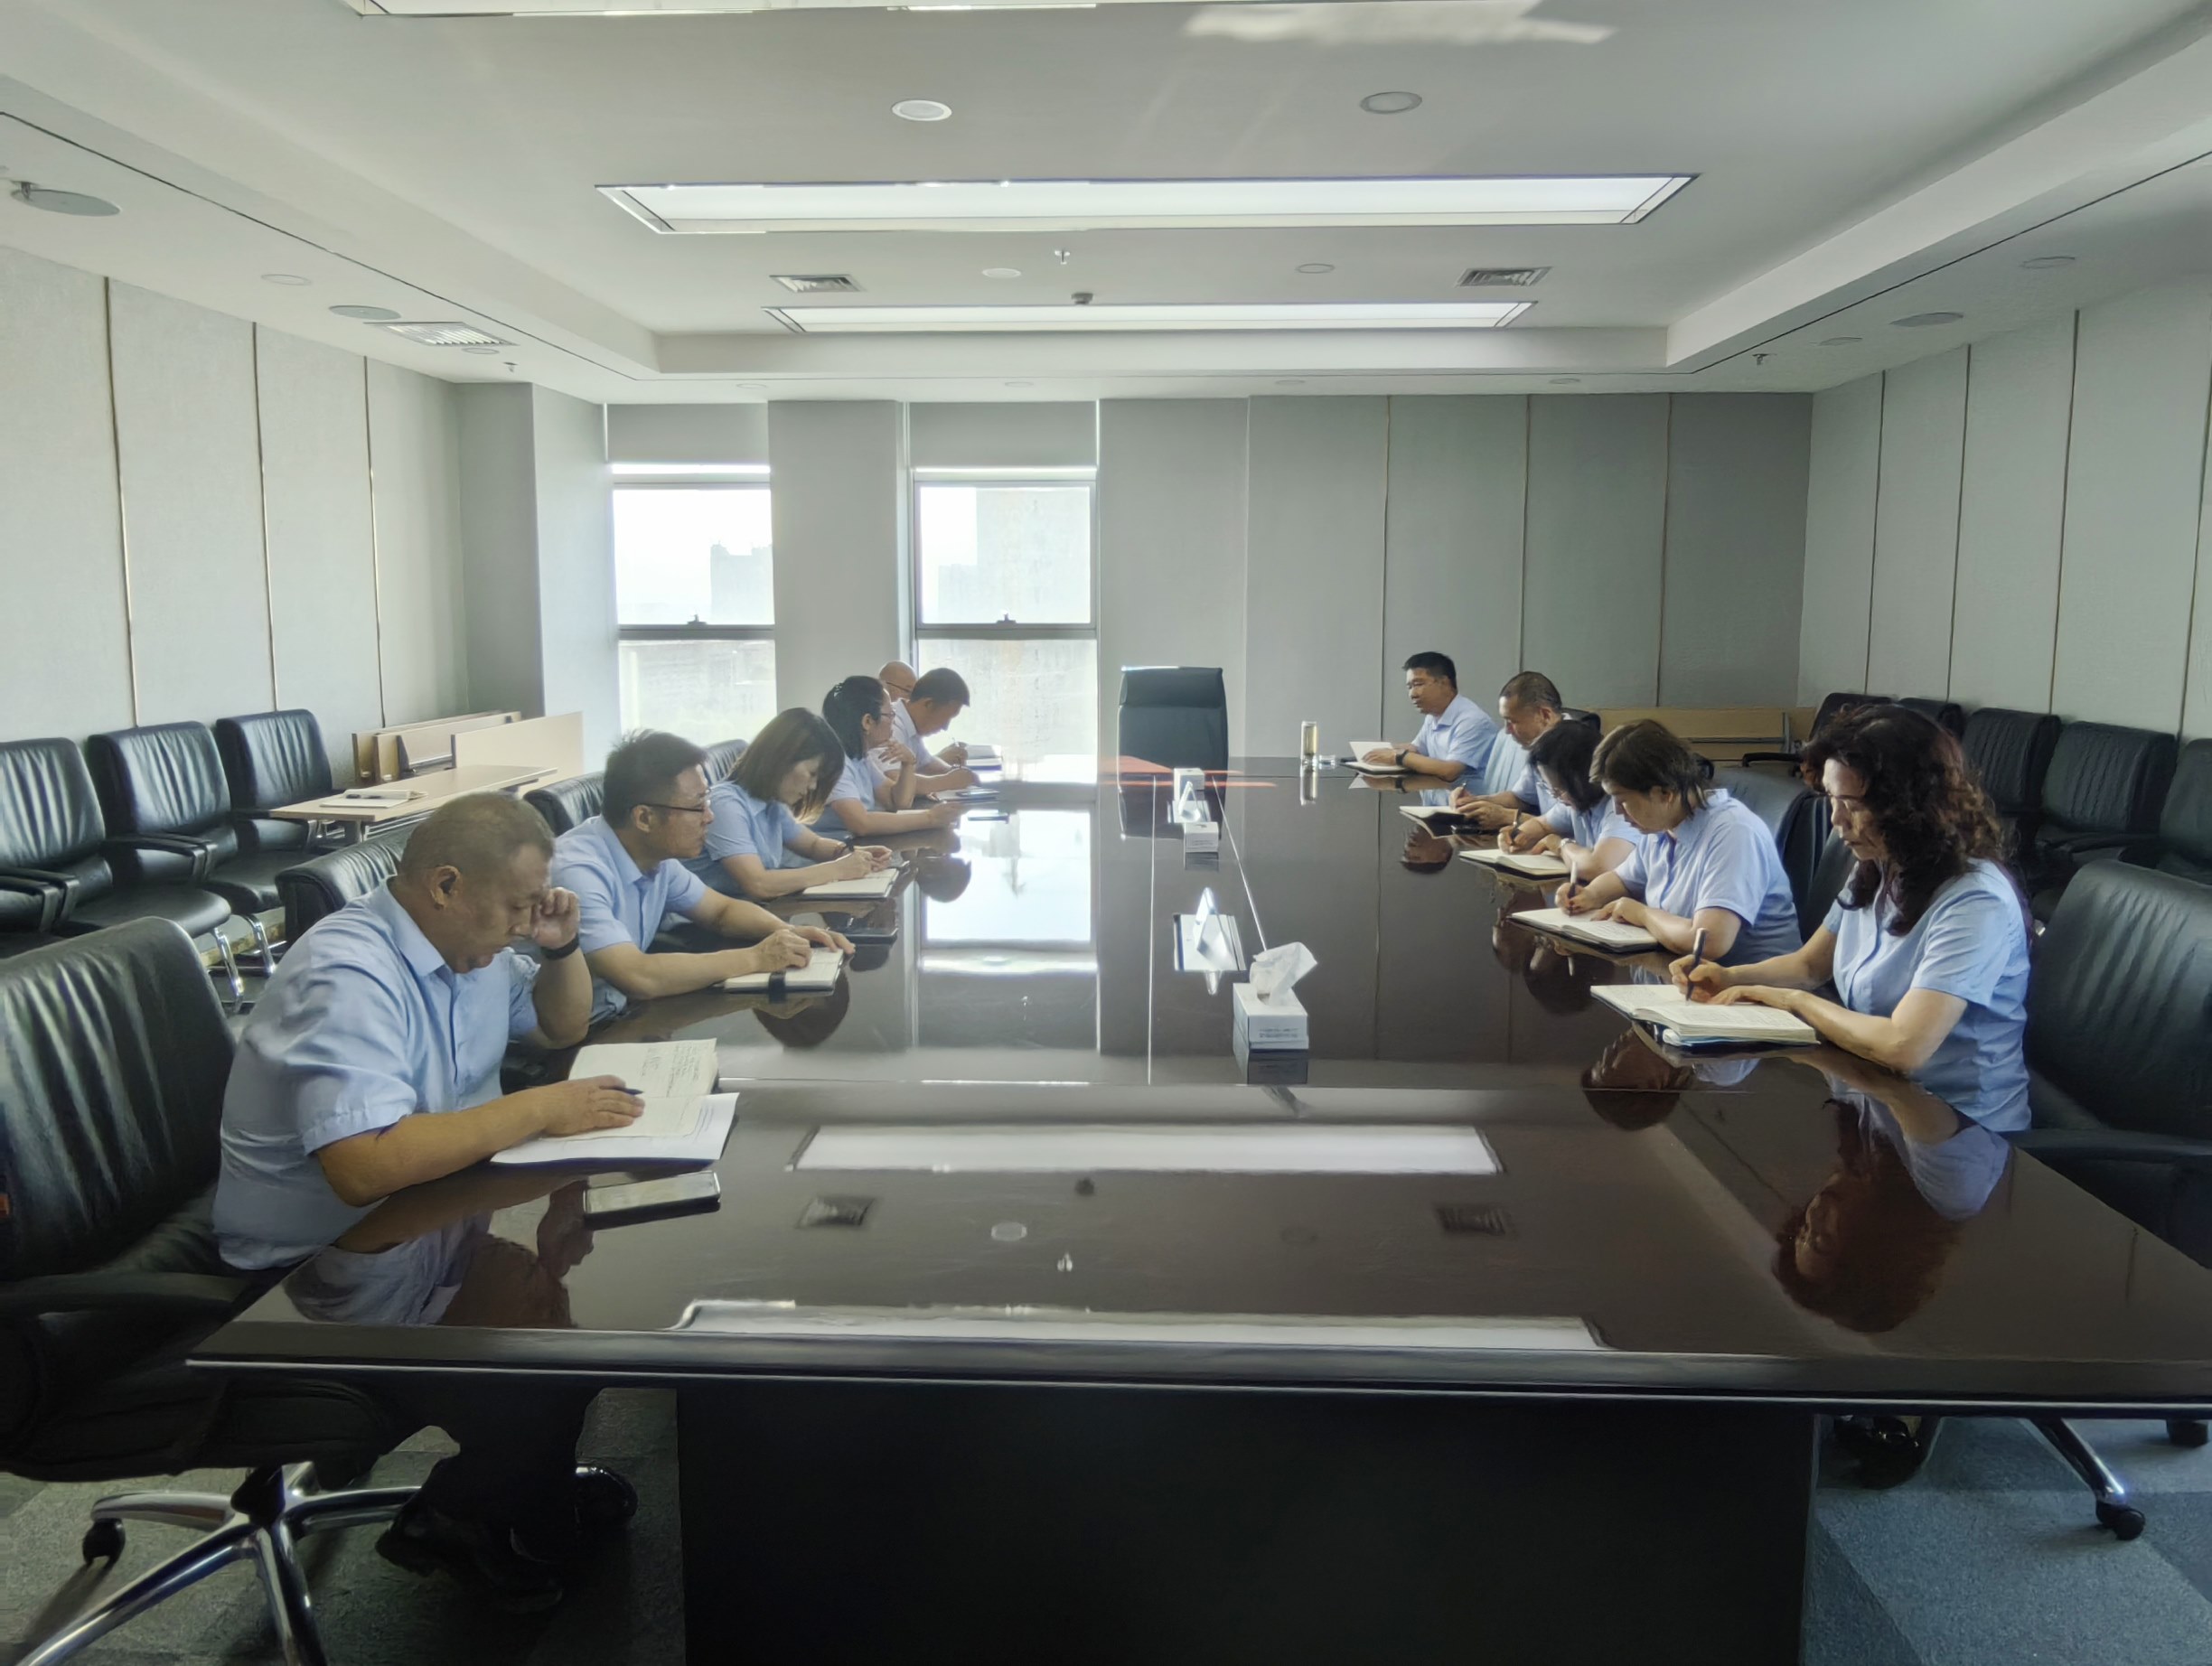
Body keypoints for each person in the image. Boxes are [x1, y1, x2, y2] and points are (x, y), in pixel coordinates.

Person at [213, 792, 647, 1608]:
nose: (524, 923)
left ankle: (520, 1490)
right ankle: (455, 1517)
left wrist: (560, 948)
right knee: (539, 1360)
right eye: (518, 906)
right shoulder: (349, 973)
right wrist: (540, 1109)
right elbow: (363, 1167)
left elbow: (560, 1028)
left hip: (417, 1224)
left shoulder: (468, 952)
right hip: (311, 1271)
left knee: (569, 1319)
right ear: (446, 885)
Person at [1671, 704, 2033, 1130]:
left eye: (1853, 805)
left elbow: (1904, 1045)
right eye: (1831, 800)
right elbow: (1810, 965)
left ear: (1910, 806)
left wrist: (1795, 1002)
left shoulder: (1975, 901)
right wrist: (1730, 978)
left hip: (1961, 1129)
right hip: (1876, 1097)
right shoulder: (1880, 865)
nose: (1837, 821)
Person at [551, 730, 849, 1025]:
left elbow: (721, 911)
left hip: (621, 1013)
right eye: (697, 807)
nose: (710, 817)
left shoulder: (656, 857)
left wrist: (787, 932)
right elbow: (638, 976)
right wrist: (758, 958)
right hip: (577, 1036)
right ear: (644, 818)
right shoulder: (578, 872)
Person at [1554, 719, 1801, 965]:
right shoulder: (1663, 825)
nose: (1618, 812)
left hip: (1748, 984)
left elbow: (1708, 942)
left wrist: (1642, 914)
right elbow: (1624, 880)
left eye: (1623, 800)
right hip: (1682, 973)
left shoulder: (1734, 832)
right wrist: (1589, 895)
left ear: (1665, 793)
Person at [693, 707, 895, 899]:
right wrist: (839, 869)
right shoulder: (725, 804)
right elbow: (758, 884)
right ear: (783, 758)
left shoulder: (770, 802)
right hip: (704, 921)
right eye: (812, 773)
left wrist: (849, 853)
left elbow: (813, 845)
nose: (813, 786)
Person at [820, 673, 963, 838]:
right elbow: (861, 823)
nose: (893, 721)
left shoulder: (859, 757)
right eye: (890, 715)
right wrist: (930, 818)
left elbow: (896, 801)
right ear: (867, 722)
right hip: (827, 850)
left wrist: (908, 764)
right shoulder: (837, 763)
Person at [1495, 717, 1637, 881]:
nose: (1557, 796)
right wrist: (1517, 835)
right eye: (1551, 789)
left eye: (1560, 789)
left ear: (1584, 777)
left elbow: (1598, 868)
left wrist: (1560, 845)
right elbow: (1542, 824)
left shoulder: (1621, 807)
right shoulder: (1576, 801)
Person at [1451, 671, 1571, 830]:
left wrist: (1508, 817)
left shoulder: (1578, 749)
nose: (1507, 731)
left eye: (1512, 721)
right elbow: (1521, 798)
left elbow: (1572, 826)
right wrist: (1475, 802)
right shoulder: (1541, 746)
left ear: (1545, 715)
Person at [1360, 651, 1497, 784]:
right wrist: (1374, 752)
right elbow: (1417, 749)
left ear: (1444, 682)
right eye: (1409, 687)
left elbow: (1450, 771)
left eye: (1418, 684)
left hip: (1467, 799)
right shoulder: (1434, 715)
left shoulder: (1471, 721)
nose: (1412, 694)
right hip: (1437, 794)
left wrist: (1397, 756)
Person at [881, 661, 980, 790]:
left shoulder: (911, 724)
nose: (945, 727)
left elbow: (926, 763)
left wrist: (955, 772)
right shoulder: (891, 724)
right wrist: (948, 781)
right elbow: (895, 780)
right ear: (928, 704)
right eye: (945, 717)